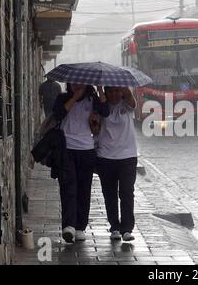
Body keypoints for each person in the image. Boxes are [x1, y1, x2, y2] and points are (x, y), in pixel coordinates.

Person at [52, 84, 109, 243]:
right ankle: (68, 225)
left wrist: (100, 90)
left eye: (80, 82)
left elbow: (106, 112)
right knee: (68, 187)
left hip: (86, 149)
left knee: (84, 189)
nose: (77, 85)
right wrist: (74, 98)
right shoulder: (63, 98)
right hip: (67, 149)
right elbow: (58, 114)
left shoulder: (92, 100)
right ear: (69, 84)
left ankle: (80, 227)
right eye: (73, 82)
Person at [95, 87, 138, 241]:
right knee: (109, 194)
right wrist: (100, 93)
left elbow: (132, 100)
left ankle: (127, 228)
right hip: (106, 156)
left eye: (116, 91)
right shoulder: (101, 107)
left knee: (126, 193)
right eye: (110, 91)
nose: (114, 94)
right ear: (106, 93)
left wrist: (123, 84)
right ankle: (114, 227)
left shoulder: (126, 106)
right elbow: (94, 127)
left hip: (128, 156)